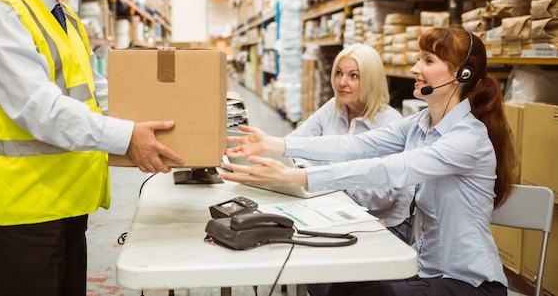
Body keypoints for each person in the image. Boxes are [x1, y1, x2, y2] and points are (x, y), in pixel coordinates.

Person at [0, 0, 185, 296]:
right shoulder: (0, 15)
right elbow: (39, 110)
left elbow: (94, 89)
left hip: (66, 201)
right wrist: (126, 136)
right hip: (23, 210)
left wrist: (170, 115)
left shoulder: (64, 18)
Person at [221, 24, 517, 296]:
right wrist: (275, 143)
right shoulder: (419, 124)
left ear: (462, 74)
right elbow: (358, 145)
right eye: (419, 59)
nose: (415, 68)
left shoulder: (468, 139)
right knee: (337, 285)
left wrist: (296, 178)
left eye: (428, 61)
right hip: (425, 271)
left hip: (469, 283)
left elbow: (391, 169)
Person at [289, 44, 413, 242]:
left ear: (371, 81)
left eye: (353, 76)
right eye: (338, 73)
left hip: (382, 224)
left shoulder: (391, 123)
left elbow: (382, 197)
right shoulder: (333, 108)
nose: (342, 82)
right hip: (334, 210)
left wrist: (325, 176)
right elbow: (294, 145)